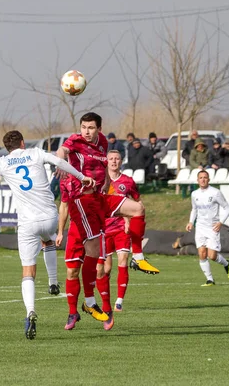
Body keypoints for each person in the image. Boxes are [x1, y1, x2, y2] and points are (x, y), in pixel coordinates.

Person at [0, 130, 94, 340]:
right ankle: (52, 282)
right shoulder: (35, 153)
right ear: (22, 143)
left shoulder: (2, 162)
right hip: (50, 216)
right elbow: (60, 162)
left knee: (28, 271)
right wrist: (82, 176)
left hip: (27, 223)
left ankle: (30, 311)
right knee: (48, 239)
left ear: (7, 147)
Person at [55, 113, 159, 330]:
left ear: (99, 128)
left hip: (99, 201)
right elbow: (62, 151)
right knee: (76, 268)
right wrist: (59, 161)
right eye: (83, 127)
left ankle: (137, 257)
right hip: (82, 206)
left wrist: (105, 182)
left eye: (91, 127)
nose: (86, 131)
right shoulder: (75, 141)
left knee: (138, 209)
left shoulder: (102, 142)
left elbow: (101, 166)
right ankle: (79, 309)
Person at [103, 150, 140, 314]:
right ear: (106, 161)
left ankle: (119, 301)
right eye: (111, 158)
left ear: (121, 161)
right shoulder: (100, 180)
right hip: (103, 228)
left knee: (123, 261)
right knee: (106, 269)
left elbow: (137, 202)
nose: (113, 161)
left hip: (121, 228)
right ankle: (105, 298)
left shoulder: (128, 181)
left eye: (117, 158)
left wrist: (132, 221)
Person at [186, 170, 229, 286]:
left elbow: (227, 208)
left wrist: (221, 222)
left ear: (209, 179)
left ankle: (226, 264)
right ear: (197, 180)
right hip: (200, 227)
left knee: (212, 256)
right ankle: (210, 280)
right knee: (202, 253)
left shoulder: (215, 193)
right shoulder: (194, 194)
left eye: (205, 177)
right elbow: (194, 209)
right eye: (201, 177)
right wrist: (191, 222)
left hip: (212, 228)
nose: (203, 179)